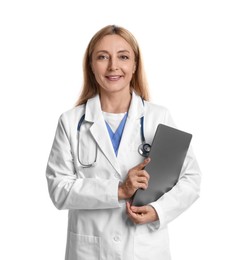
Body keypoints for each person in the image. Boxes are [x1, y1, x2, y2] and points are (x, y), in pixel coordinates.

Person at [46, 25, 201, 260]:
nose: (113, 66)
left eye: (123, 57)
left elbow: (191, 179)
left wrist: (158, 211)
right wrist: (119, 190)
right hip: (89, 250)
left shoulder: (158, 117)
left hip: (145, 249)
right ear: (90, 65)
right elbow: (59, 189)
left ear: (135, 64)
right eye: (102, 57)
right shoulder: (70, 122)